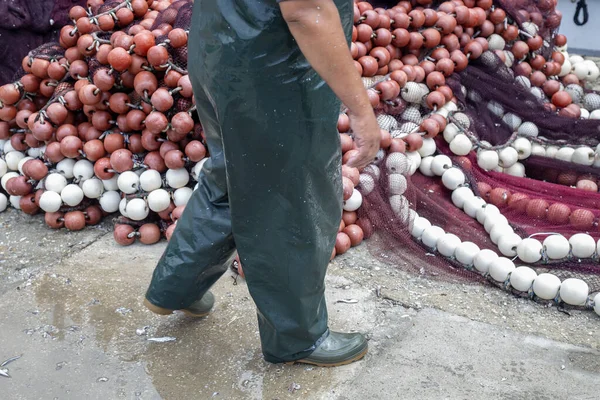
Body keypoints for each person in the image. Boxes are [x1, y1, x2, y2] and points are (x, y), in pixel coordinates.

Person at [143, 0, 381, 367]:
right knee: (289, 198)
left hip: (220, 43)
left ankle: (175, 285)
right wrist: (362, 111)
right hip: (273, 67)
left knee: (230, 173)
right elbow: (307, 10)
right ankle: (298, 338)